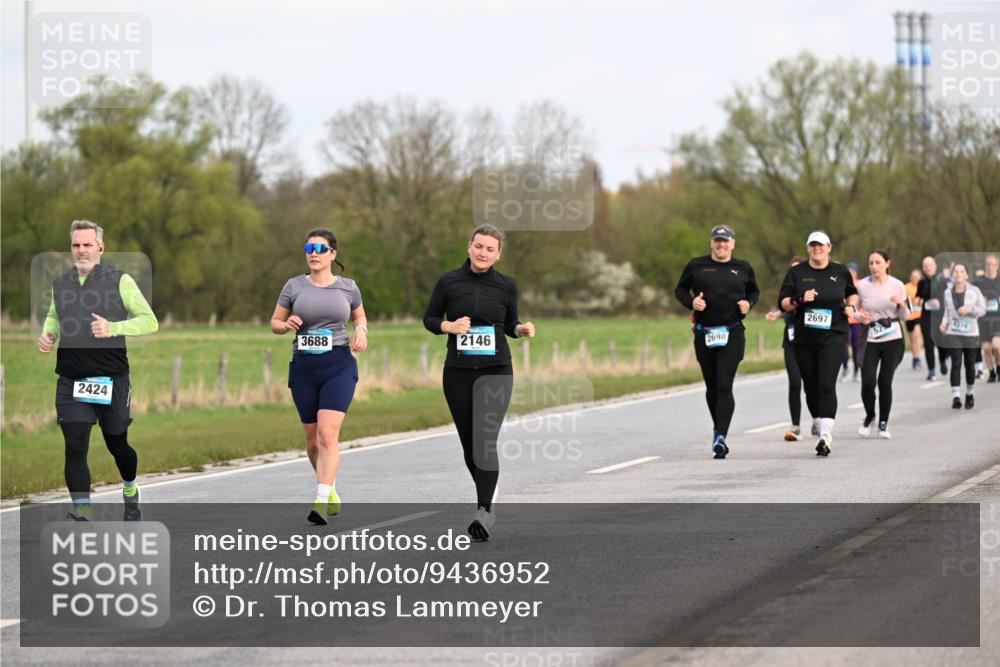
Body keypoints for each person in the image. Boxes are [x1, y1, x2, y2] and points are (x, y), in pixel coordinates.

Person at [36, 220, 159, 521]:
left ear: (100, 248)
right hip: (71, 379)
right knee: (75, 444)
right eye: (76, 245)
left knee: (117, 443)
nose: (81, 250)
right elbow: (54, 315)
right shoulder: (61, 283)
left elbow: (149, 321)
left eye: (87, 245)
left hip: (112, 379)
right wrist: (48, 333)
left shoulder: (120, 281)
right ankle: (82, 515)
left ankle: (130, 489)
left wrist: (113, 327)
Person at [423, 224, 535, 540]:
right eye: (478, 246)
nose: (482, 252)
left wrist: (521, 330)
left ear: (498, 254)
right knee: (469, 445)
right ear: (469, 246)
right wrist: (449, 325)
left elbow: (511, 323)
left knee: (485, 440)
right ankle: (488, 488)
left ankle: (483, 511)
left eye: (489, 248)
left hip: (496, 370)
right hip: (457, 372)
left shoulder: (506, 285)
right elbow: (429, 319)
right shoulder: (449, 281)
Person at [271, 229, 368, 525]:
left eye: (320, 248)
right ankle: (331, 487)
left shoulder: (348, 287)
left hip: (338, 365)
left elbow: (359, 316)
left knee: (328, 434)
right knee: (313, 442)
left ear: (333, 254)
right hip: (304, 368)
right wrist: (286, 324)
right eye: (309, 248)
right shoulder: (294, 286)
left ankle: (321, 499)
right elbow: (274, 322)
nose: (313, 253)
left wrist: (361, 331)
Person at [674, 225, 760, 459]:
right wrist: (692, 303)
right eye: (717, 241)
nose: (721, 245)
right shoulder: (696, 265)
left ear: (733, 244)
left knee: (724, 384)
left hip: (732, 332)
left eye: (726, 241)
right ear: (711, 243)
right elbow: (680, 290)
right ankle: (718, 428)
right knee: (712, 387)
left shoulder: (743, 267)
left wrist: (748, 304)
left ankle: (721, 436)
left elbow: (754, 292)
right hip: (704, 333)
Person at [779, 230, 859, 457]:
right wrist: (800, 299)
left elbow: (852, 293)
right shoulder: (796, 272)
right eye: (813, 245)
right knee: (811, 387)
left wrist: (851, 307)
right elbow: (783, 302)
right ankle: (817, 418)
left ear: (829, 247)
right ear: (808, 248)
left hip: (834, 335)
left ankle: (825, 436)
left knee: (826, 383)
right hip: (805, 338)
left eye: (821, 245)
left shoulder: (840, 271)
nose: (817, 249)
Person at [855, 250, 909, 439]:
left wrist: (902, 304)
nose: (874, 266)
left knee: (885, 382)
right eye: (871, 263)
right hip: (870, 338)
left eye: (878, 262)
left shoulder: (897, 285)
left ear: (887, 264)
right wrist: (859, 316)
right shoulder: (861, 286)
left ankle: (883, 423)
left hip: (892, 338)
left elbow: (906, 316)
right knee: (867, 382)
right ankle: (870, 415)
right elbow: (853, 310)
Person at [765, 257, 809, 441]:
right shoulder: (789, 289)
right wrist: (777, 314)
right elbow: (786, 306)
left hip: (810, 342)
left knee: (812, 385)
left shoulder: (810, 288)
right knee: (795, 383)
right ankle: (796, 425)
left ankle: (817, 419)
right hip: (791, 342)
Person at [939, 263, 987, 409]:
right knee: (956, 363)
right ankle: (956, 397)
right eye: (956, 272)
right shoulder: (948, 292)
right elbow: (947, 311)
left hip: (971, 333)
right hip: (953, 332)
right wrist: (944, 323)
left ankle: (970, 394)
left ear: (966, 275)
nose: (958, 274)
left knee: (970, 366)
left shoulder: (975, 291)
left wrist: (969, 310)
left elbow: (982, 310)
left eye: (962, 271)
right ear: (953, 275)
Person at [917, 256, 949, 381]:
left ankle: (942, 360)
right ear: (923, 268)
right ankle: (931, 371)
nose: (928, 268)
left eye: (930, 265)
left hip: (940, 317)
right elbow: (918, 297)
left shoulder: (942, 280)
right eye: (925, 266)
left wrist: (939, 302)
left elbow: (948, 296)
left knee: (942, 343)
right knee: (928, 344)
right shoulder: (921, 282)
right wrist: (918, 300)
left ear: (934, 266)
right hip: (926, 317)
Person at [973, 255, 1000, 383]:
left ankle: (999, 366)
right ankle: (991, 372)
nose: (990, 267)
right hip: (983, 320)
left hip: (998, 319)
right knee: (986, 349)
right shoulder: (978, 282)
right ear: (985, 266)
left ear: (997, 266)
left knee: (996, 346)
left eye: (993, 264)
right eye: (988, 265)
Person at [841, 262, 863, 382]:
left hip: (856, 321)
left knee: (856, 347)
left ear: (856, 272)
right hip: (844, 320)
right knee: (844, 347)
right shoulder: (841, 283)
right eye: (849, 271)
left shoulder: (860, 285)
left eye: (853, 271)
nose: (851, 273)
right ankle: (845, 369)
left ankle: (856, 371)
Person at [904, 269, 924, 370]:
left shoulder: (923, 286)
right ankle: (915, 357)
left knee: (917, 334)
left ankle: (918, 356)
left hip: (920, 315)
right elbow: (904, 302)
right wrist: (912, 301)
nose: (915, 279)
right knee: (912, 338)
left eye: (917, 277)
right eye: (913, 277)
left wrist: (921, 301)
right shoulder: (906, 287)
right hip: (909, 316)